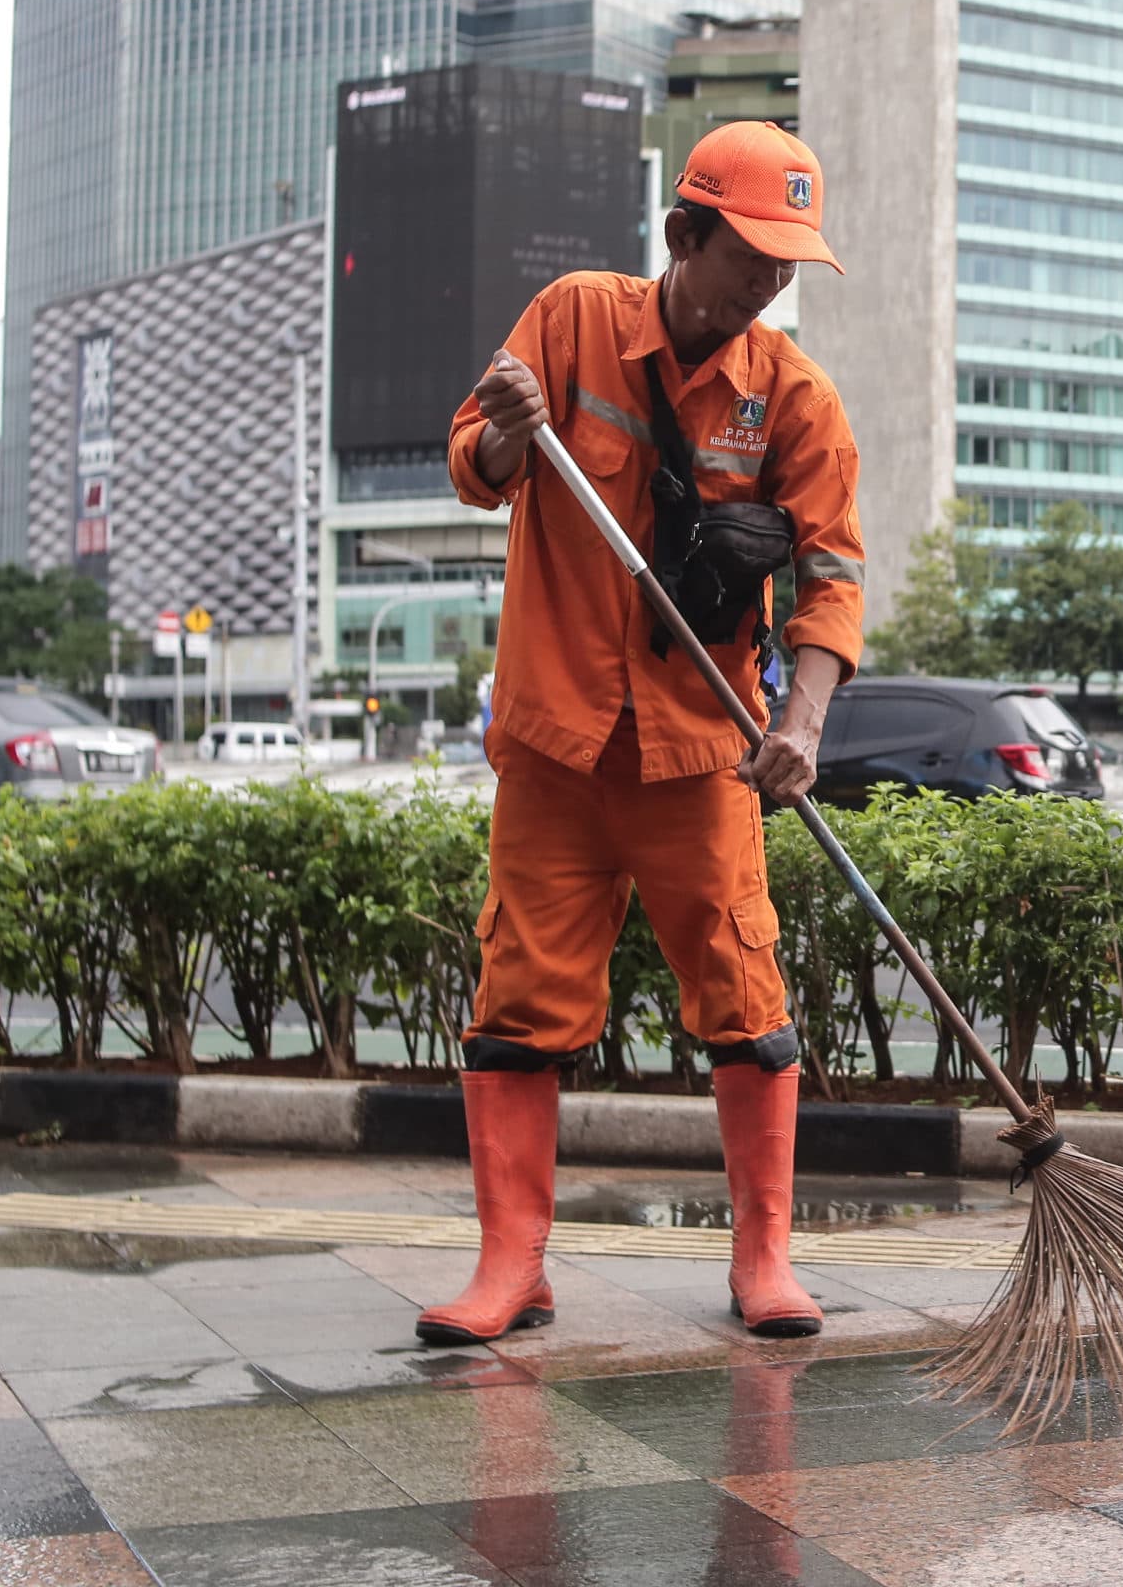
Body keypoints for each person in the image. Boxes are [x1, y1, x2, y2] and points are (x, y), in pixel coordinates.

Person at [416, 120, 868, 1347]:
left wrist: (803, 719)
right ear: (684, 233)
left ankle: (764, 1256)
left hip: (698, 753)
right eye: (752, 256)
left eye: (788, 263)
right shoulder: (568, 321)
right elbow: (476, 465)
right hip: (556, 745)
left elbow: (831, 577)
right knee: (520, 999)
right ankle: (512, 1263)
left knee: (742, 989)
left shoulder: (793, 398)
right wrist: (511, 423)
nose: (770, 283)